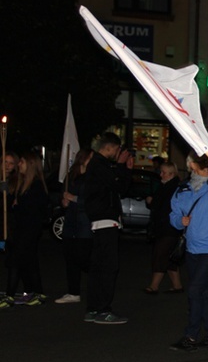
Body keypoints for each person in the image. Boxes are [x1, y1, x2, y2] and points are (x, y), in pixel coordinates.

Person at [168, 152, 208, 351]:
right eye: (200, 165)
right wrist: (180, 221)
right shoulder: (182, 189)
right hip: (192, 247)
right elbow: (174, 215)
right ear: (193, 166)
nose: (203, 169)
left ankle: (191, 335)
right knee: (201, 292)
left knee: (195, 290)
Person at [82, 132, 133, 324]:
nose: (119, 152)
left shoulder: (97, 165)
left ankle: (94, 308)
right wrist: (122, 167)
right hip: (105, 220)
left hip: (100, 220)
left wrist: (121, 168)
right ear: (110, 147)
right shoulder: (100, 165)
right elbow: (118, 186)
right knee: (108, 267)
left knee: (98, 266)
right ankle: (102, 309)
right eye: (117, 149)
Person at [4, 151, 49, 306]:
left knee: (15, 261)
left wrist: (19, 205)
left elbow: (33, 209)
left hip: (29, 230)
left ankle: (9, 296)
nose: (18, 165)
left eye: (21, 162)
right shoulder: (24, 184)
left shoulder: (36, 186)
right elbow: (13, 203)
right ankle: (38, 293)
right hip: (22, 229)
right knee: (30, 263)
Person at [56, 148, 94, 304]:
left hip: (85, 224)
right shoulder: (71, 176)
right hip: (71, 222)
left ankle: (96, 287)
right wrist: (64, 202)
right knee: (70, 258)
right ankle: (73, 292)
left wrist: (75, 198)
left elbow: (94, 202)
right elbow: (64, 197)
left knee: (84, 258)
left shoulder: (93, 178)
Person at [143, 161, 182, 294]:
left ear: (171, 174)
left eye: (163, 172)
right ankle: (177, 285)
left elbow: (163, 206)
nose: (161, 175)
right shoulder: (171, 186)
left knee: (160, 255)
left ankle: (154, 285)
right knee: (169, 257)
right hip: (168, 227)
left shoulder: (171, 188)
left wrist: (152, 201)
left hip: (168, 227)